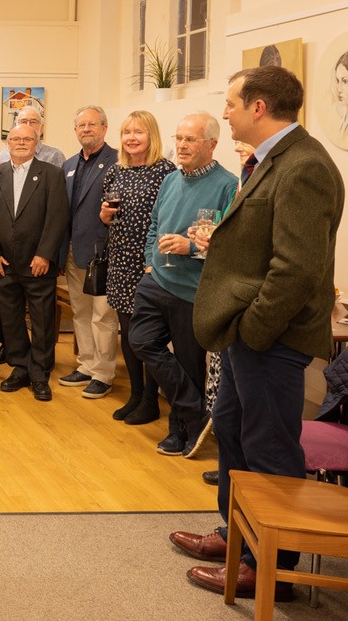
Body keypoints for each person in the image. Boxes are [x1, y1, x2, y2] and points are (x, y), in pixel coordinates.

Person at [177, 66, 344, 601]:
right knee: (230, 426)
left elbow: (296, 268)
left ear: (258, 106)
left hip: (271, 337)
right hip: (247, 333)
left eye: (229, 103)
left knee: (269, 446)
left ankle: (270, 563)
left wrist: (254, 327)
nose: (223, 113)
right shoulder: (272, 160)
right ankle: (236, 536)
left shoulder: (304, 167)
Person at [127, 113, 237, 455]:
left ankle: (181, 431)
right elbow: (154, 225)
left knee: (189, 364)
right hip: (156, 279)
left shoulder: (228, 185)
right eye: (179, 138)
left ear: (211, 145)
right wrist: (149, 261)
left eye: (190, 139)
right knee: (140, 341)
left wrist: (189, 247)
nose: (182, 145)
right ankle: (196, 412)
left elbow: (229, 244)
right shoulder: (170, 180)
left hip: (192, 290)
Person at [0, 124, 69, 402]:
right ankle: (20, 367)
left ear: (36, 142)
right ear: (8, 143)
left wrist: (44, 254)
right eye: (15, 138)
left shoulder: (52, 174)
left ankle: (40, 372)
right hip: (3, 262)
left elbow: (57, 217)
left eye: (27, 139)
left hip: (37, 262)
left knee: (42, 318)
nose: (20, 143)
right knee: (10, 317)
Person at [98, 110, 174, 423]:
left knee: (149, 335)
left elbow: (170, 219)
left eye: (138, 132)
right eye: (127, 132)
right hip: (120, 261)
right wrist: (104, 216)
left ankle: (151, 400)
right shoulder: (116, 171)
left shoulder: (165, 171)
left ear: (151, 136)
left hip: (148, 264)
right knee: (127, 333)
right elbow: (106, 216)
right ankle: (135, 393)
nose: (131, 138)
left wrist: (153, 261)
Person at [57, 106, 120, 396]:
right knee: (81, 312)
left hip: (103, 253)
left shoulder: (117, 161)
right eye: (81, 125)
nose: (86, 130)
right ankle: (86, 364)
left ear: (104, 128)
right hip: (73, 252)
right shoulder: (69, 164)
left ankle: (104, 373)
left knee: (103, 316)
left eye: (92, 124)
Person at [0, 103, 67, 167]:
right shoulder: (3, 156)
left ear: (41, 128)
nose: (28, 125)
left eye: (33, 122)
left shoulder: (55, 156)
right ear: (16, 126)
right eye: (23, 121)